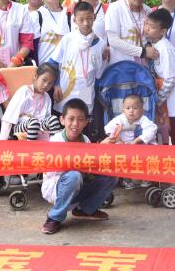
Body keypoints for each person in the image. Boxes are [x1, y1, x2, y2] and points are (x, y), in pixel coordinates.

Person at [40, 99, 119, 235]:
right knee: (74, 175)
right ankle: (54, 217)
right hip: (57, 189)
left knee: (112, 174)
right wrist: (98, 149)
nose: (75, 124)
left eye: (80, 119)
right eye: (71, 119)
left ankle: (84, 209)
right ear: (62, 120)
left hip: (78, 187)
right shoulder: (56, 141)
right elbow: (68, 164)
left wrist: (106, 150)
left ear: (86, 121)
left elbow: (90, 164)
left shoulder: (85, 140)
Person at [53, 2, 107, 126]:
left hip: (86, 88)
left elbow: (99, 74)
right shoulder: (68, 39)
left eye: (89, 18)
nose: (86, 23)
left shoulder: (100, 43)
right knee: (65, 120)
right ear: (74, 20)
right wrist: (56, 84)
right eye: (81, 20)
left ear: (94, 17)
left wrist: (104, 59)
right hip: (66, 87)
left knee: (82, 120)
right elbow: (54, 62)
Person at [144, 7, 175, 145]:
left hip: (174, 100)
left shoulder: (165, 48)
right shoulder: (155, 44)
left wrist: (158, 99)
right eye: (147, 24)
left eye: (151, 27)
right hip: (167, 97)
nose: (147, 29)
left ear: (162, 31)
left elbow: (171, 78)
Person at [1, 64, 59, 141]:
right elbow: (9, 117)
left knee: (53, 119)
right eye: (44, 80)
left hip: (39, 126)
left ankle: (55, 145)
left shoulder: (47, 97)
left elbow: (47, 119)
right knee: (34, 123)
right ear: (36, 76)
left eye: (50, 83)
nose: (46, 85)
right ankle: (31, 147)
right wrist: (2, 141)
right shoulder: (24, 91)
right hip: (21, 126)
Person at [105, 0, 152, 65]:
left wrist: (149, 45)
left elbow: (150, 37)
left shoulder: (147, 10)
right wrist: (142, 52)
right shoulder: (115, 8)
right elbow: (113, 40)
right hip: (121, 67)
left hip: (142, 68)